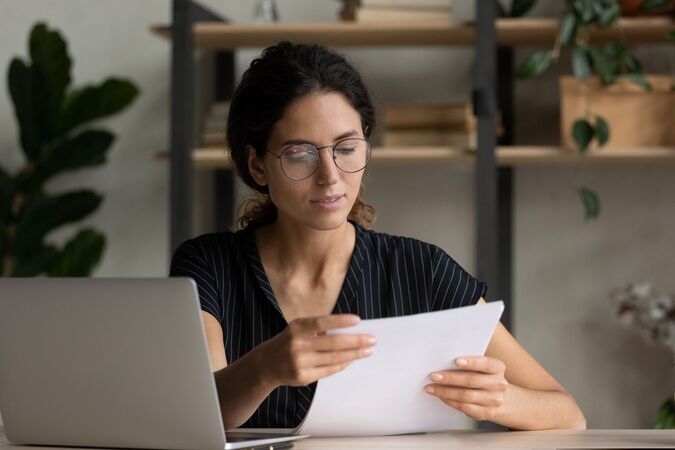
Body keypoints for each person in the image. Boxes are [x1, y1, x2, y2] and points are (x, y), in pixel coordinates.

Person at [170, 41, 586, 431]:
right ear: (257, 165)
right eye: (300, 154)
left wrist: (500, 400)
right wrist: (264, 368)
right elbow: (198, 419)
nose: (330, 178)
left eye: (347, 148)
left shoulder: (420, 268)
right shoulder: (208, 266)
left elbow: (568, 415)